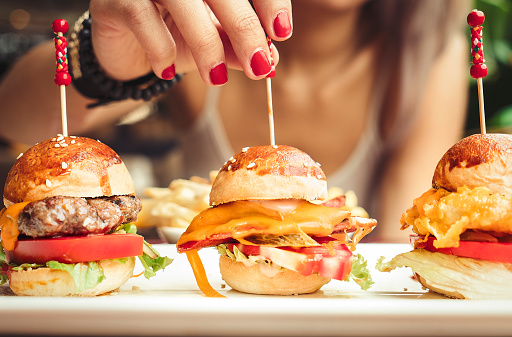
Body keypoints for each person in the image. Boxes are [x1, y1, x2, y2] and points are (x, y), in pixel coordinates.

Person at [0, 0, 470, 242]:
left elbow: (401, 239)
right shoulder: (195, 28)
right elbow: (13, 118)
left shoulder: (428, 60)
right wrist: (103, 61)